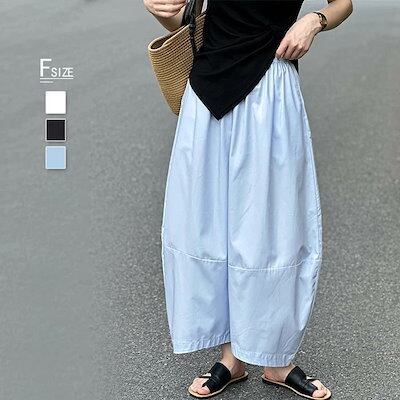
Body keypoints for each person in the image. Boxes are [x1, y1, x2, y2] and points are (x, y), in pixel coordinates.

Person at [144, 0, 353, 398]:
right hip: (209, 93)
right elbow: (188, 18)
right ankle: (231, 358)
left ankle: (277, 360)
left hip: (271, 90)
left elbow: (343, 3)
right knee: (208, 225)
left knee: (273, 227)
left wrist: (314, 21)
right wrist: (161, 11)